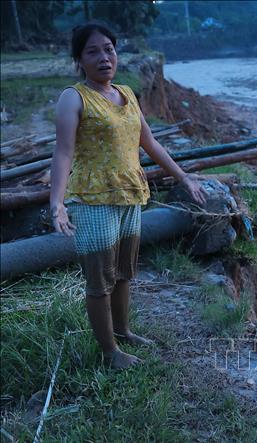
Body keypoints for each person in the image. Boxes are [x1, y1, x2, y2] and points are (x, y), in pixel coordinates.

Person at [50, 23, 207, 369]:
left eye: (109, 49)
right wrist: (57, 203)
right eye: (93, 51)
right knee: (99, 280)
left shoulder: (126, 93)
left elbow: (149, 143)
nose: (104, 57)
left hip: (130, 194)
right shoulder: (73, 97)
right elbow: (62, 152)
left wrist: (183, 176)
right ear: (79, 60)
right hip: (92, 200)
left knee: (123, 272)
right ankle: (109, 353)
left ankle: (122, 332)